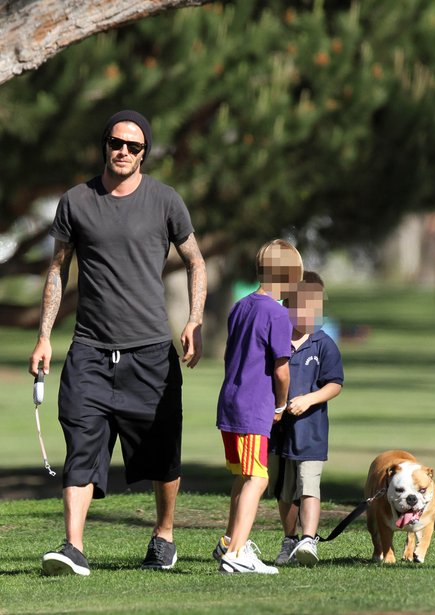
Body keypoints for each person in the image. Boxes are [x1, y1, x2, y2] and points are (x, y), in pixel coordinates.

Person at [28, 109, 207, 576]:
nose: (123, 151)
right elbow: (57, 269)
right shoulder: (76, 201)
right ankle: (73, 547)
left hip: (150, 354)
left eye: (133, 146)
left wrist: (194, 319)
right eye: (116, 142)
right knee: (82, 446)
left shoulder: (165, 201)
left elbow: (195, 261)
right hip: (89, 351)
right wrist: (44, 336)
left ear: (144, 153)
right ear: (104, 145)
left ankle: (164, 535)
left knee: (162, 453)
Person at [213, 239, 303, 574]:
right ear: (287, 277)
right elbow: (281, 371)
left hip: (230, 403)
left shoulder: (240, 306)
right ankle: (236, 553)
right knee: (258, 478)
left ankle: (229, 541)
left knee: (244, 475)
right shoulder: (278, 314)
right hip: (253, 408)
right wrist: (280, 405)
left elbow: (231, 353)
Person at [268, 271, 344, 567]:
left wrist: (309, 399)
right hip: (279, 432)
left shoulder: (324, 344)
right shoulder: (276, 341)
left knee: (309, 486)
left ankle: (308, 539)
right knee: (285, 491)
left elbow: (334, 384)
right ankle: (289, 539)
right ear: (288, 306)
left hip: (311, 432)